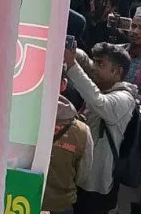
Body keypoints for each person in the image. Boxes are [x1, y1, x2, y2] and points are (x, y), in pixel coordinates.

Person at [63, 42, 138, 214]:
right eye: (95, 62)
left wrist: (72, 65)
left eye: (100, 64)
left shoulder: (124, 98)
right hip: (80, 176)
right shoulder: (104, 87)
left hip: (96, 183)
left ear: (117, 72)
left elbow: (98, 102)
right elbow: (85, 62)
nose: (94, 68)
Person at [43, 79, 93, 214]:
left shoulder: (20, 120)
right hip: (61, 204)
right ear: (63, 84)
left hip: (22, 200)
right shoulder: (82, 131)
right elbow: (82, 175)